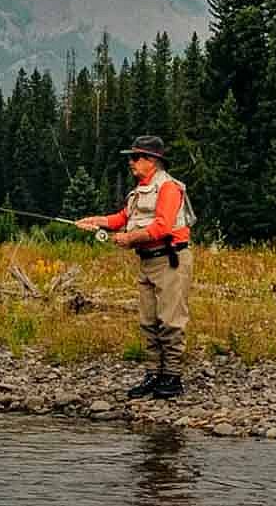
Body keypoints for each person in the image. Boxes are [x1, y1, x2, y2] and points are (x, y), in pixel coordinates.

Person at [75, 135, 194, 399]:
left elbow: (162, 226)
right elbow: (122, 218)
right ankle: (153, 374)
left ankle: (172, 378)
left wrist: (129, 239)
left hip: (171, 260)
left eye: (135, 157)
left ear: (151, 160)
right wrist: (96, 221)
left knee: (171, 322)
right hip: (148, 261)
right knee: (148, 321)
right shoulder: (140, 189)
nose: (131, 162)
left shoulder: (168, 188)